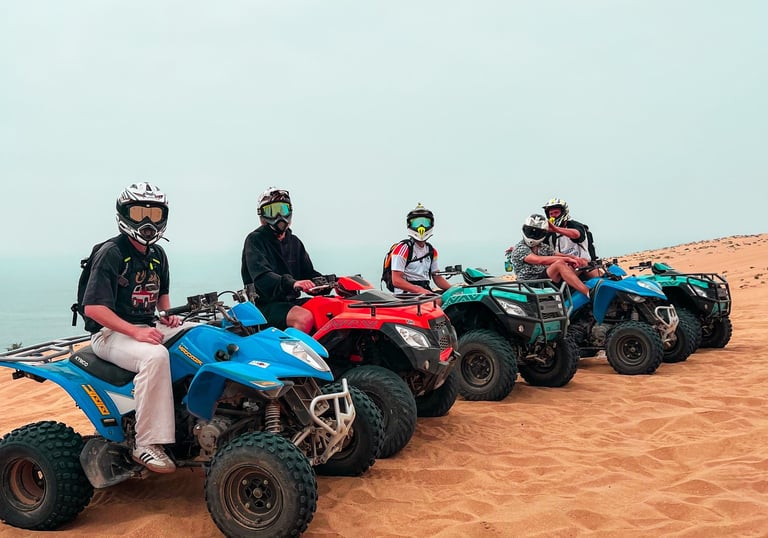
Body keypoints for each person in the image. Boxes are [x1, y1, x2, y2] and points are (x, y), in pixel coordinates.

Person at [83, 182, 191, 474]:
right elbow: (93, 309)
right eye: (139, 212)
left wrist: (167, 317)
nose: (147, 221)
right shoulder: (112, 252)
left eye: (154, 214)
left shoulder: (158, 255)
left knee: (197, 336)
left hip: (145, 326)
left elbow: (162, 299)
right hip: (109, 334)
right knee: (154, 356)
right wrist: (135, 332)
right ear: (124, 214)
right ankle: (146, 442)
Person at [241, 187, 322, 333]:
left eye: (283, 209)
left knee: (327, 307)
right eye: (272, 211)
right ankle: (292, 349)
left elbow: (309, 274)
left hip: (289, 303)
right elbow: (262, 277)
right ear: (262, 215)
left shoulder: (294, 242)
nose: (279, 216)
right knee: (303, 318)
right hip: (263, 307)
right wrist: (293, 283)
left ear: (290, 212)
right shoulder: (255, 240)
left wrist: (333, 283)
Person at [507, 214, 594, 298]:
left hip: (545, 281)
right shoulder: (520, 247)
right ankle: (588, 293)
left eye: (537, 233)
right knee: (559, 264)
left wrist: (576, 259)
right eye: (530, 232)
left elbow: (557, 254)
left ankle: (598, 284)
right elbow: (539, 260)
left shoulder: (542, 247)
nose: (533, 235)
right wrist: (567, 259)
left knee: (582, 262)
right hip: (530, 284)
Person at [390, 204, 452, 295]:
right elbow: (396, 280)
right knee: (435, 300)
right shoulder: (403, 248)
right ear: (409, 225)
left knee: (448, 299)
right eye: (416, 223)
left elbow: (437, 277)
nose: (421, 227)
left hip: (424, 291)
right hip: (406, 295)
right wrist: (419, 290)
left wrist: (454, 289)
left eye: (425, 223)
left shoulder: (431, 251)